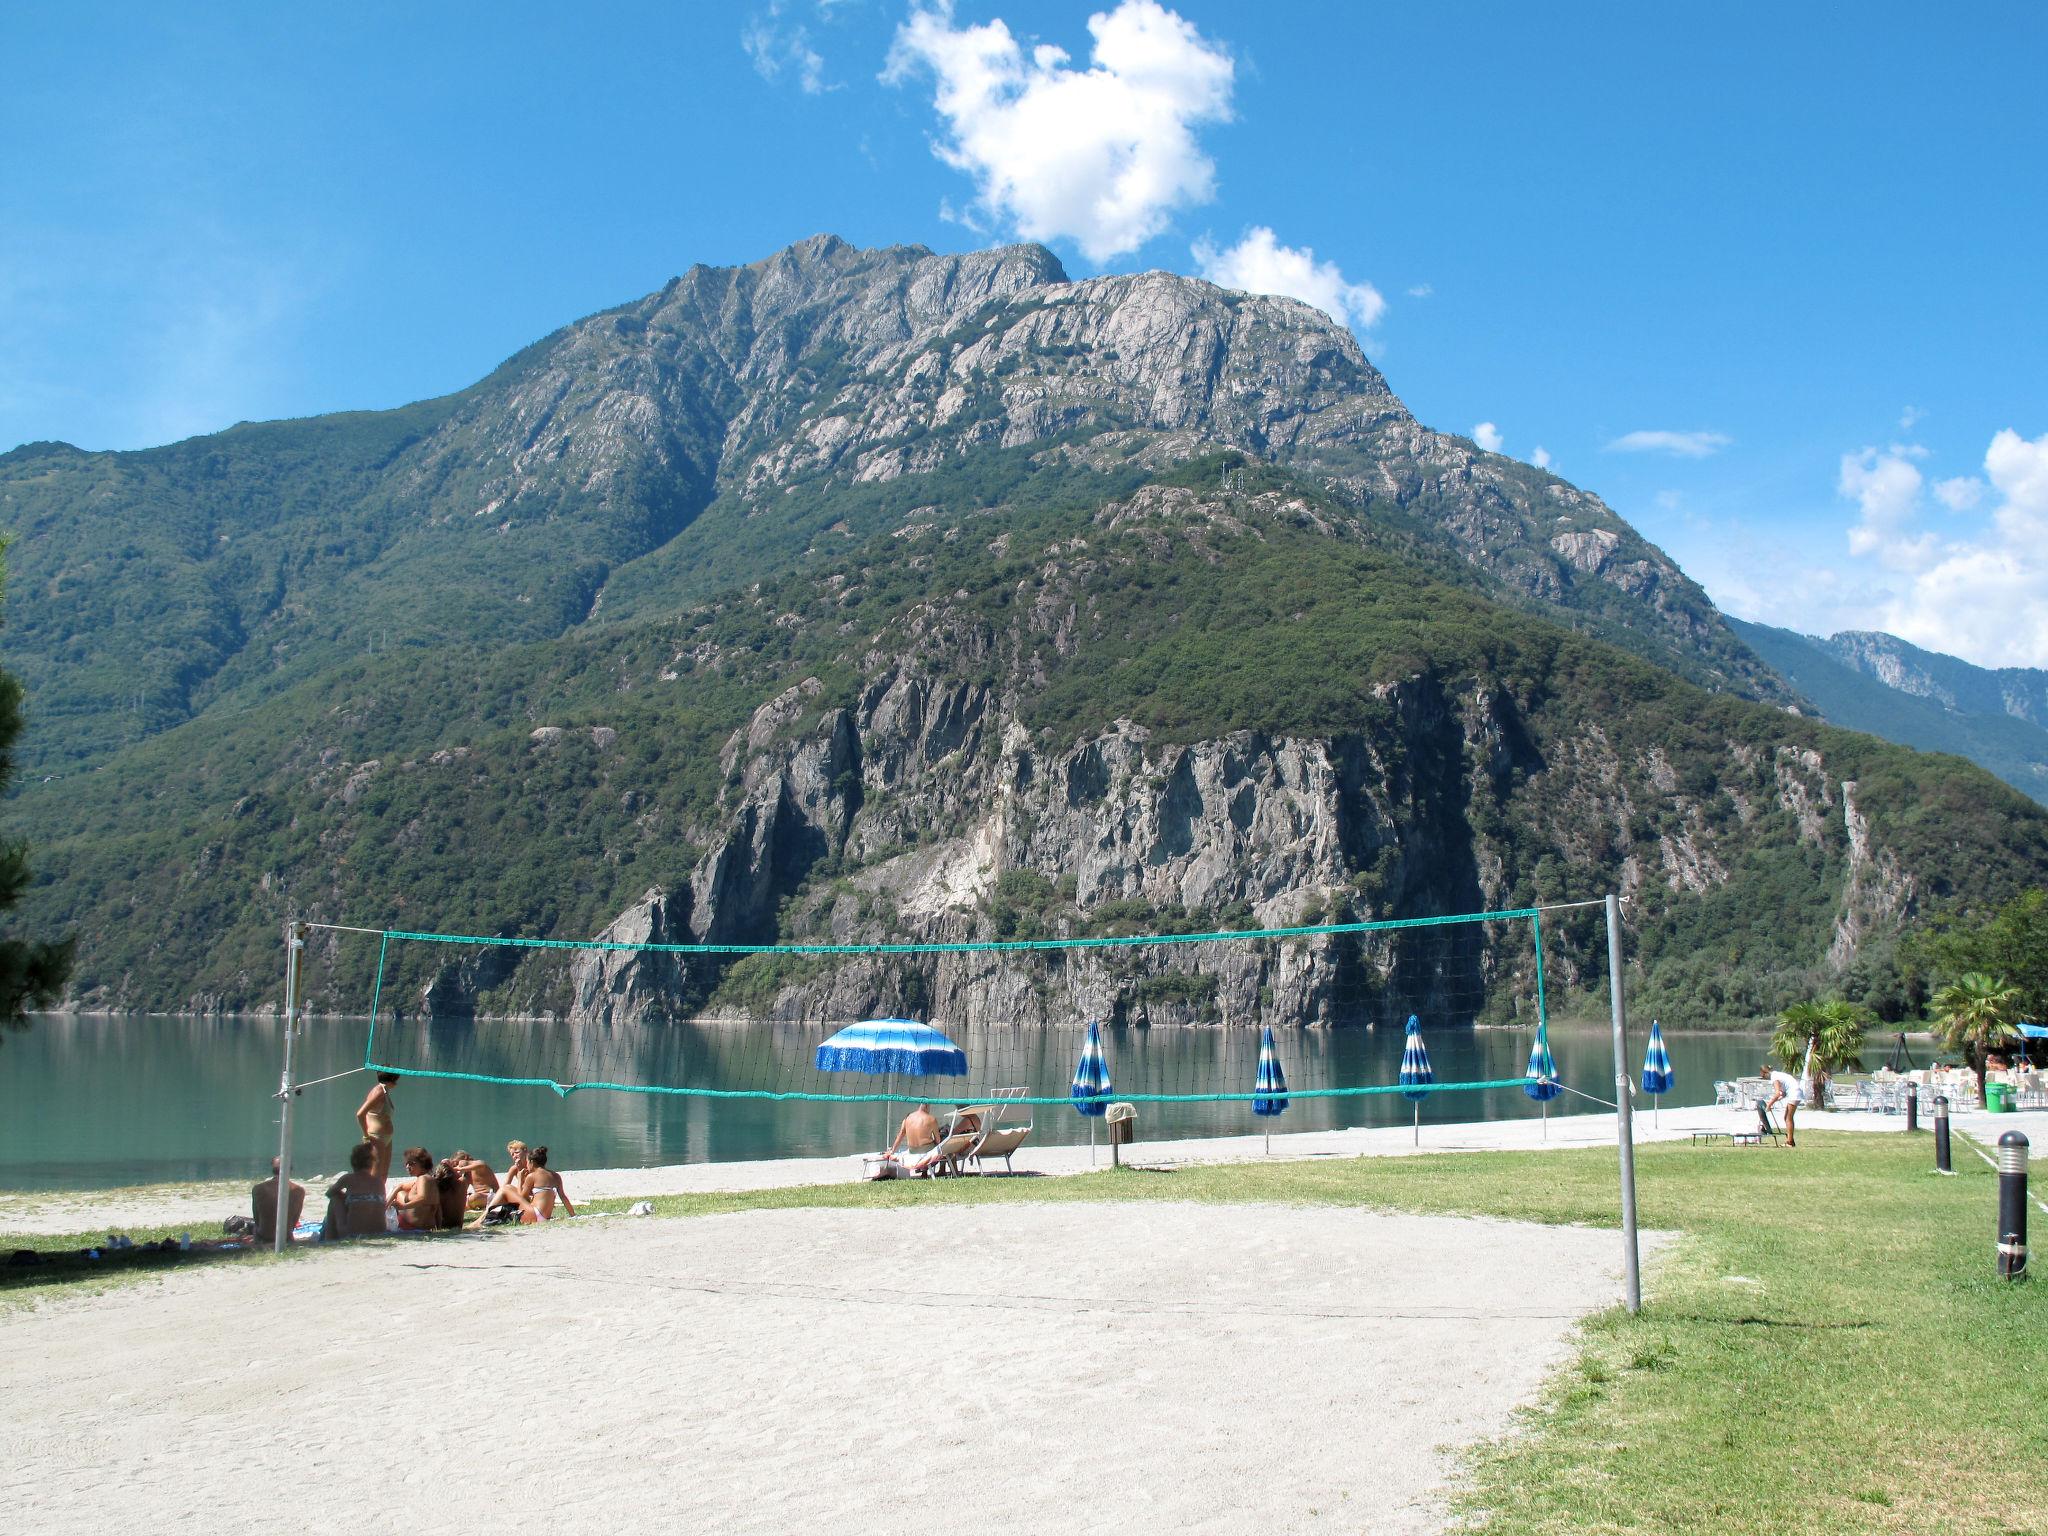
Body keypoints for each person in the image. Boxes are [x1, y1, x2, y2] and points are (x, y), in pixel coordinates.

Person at [323, 1140, 389, 1240]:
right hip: (379, 1232)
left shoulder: (348, 1178)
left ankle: (329, 1239)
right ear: (372, 1163)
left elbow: (329, 1193)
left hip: (353, 1234)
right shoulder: (379, 1182)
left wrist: (343, 1196)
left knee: (335, 1199)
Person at [354, 1072, 401, 1180]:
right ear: (391, 1079)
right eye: (396, 1079)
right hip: (376, 1137)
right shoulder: (378, 1091)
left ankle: (380, 1196)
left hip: (386, 1138)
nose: (397, 1083)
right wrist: (366, 1135)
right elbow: (360, 1114)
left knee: (384, 1174)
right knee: (375, 1174)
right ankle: (370, 1196)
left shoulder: (385, 1092)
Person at [250, 1157, 306, 1246]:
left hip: (264, 1236)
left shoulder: (258, 1189)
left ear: (273, 1169)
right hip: (286, 1236)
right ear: (290, 1169)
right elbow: (294, 1221)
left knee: (254, 1228)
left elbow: (257, 1218)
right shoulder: (299, 1191)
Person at [387, 1146, 441, 1231]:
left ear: (422, 1163)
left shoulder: (423, 1179)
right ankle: (383, 1208)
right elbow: (400, 1186)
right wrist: (438, 1226)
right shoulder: (429, 1180)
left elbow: (422, 1197)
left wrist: (403, 1206)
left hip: (413, 1226)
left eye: (411, 1163)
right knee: (399, 1191)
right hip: (426, 1227)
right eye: (406, 1164)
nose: (407, 1167)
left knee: (399, 1193)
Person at [520, 1145, 574, 1222]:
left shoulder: (532, 1176)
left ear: (531, 1162)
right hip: (546, 1217)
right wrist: (573, 1214)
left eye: (527, 1162)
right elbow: (563, 1197)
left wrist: (520, 1180)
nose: (526, 1165)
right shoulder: (556, 1176)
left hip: (534, 1214)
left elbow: (521, 1199)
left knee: (507, 1189)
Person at [1761, 1062, 1805, 1147]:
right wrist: (1775, 1101)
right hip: (1795, 1092)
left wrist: (1769, 1105)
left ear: (1765, 1073)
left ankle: (1790, 1142)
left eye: (1763, 1076)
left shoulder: (1774, 1077)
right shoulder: (1777, 1074)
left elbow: (1777, 1093)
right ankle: (1790, 1140)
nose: (1764, 1078)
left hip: (1794, 1094)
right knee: (1787, 1117)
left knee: (1788, 1118)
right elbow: (1783, 1094)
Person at [432, 1158, 469, 1231]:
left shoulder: (436, 1189)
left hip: (442, 1226)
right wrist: (451, 1169)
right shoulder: (462, 1183)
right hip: (458, 1226)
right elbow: (459, 1177)